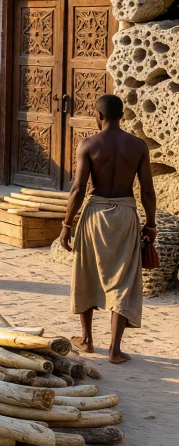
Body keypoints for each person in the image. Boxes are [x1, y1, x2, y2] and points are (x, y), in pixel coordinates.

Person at [60, 94, 157, 364]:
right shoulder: (138, 146)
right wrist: (150, 224)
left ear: (98, 116)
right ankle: (115, 349)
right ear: (122, 116)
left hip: (94, 214)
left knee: (87, 273)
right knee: (123, 279)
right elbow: (147, 190)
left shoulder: (89, 144)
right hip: (126, 213)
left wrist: (67, 224)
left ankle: (87, 339)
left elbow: (78, 189)